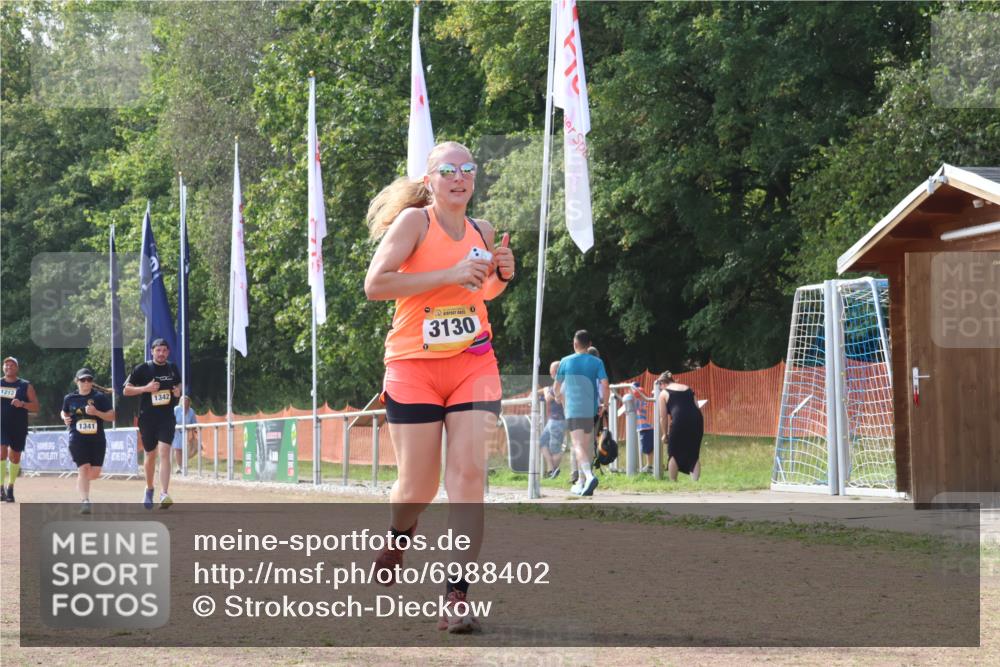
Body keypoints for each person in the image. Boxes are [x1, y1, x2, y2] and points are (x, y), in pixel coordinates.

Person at [364, 141, 515, 633]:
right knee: (419, 487)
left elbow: (482, 289)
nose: (458, 176)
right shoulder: (415, 224)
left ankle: (455, 595)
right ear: (430, 180)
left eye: (466, 168)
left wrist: (501, 276)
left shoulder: (483, 231)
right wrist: (448, 272)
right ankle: (399, 530)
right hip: (413, 365)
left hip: (474, 362)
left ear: (474, 178)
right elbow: (376, 284)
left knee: (468, 480)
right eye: (447, 169)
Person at [124, 338, 182, 509]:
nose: (161, 353)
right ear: (152, 351)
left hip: (166, 418)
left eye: (164, 350)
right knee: (150, 455)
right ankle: (149, 488)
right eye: (158, 350)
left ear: (168, 352)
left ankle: (164, 493)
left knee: (165, 452)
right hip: (147, 418)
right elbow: (126, 390)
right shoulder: (143, 369)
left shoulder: (172, 368)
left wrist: (178, 391)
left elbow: (178, 384)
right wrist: (145, 389)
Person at [554, 330, 609, 496]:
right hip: (591, 410)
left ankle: (589, 476)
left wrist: (557, 397)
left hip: (573, 409)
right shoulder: (596, 362)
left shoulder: (565, 361)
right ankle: (581, 483)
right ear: (590, 344)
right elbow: (605, 385)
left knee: (577, 445)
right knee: (585, 446)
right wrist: (604, 404)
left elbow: (557, 386)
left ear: (574, 343)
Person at [61, 369, 115, 514]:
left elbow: (112, 416)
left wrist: (96, 412)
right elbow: (64, 411)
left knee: (95, 473)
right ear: (76, 381)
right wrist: (64, 418)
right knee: (83, 468)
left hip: (97, 440)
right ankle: (85, 501)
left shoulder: (99, 397)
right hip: (77, 439)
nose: (86, 383)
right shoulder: (69, 398)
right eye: (83, 380)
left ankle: (82, 481)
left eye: (89, 380)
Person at [1, 356, 39, 502]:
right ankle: (0, 489)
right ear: (3, 368)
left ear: (17, 368)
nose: (8, 367)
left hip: (18, 426)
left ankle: (10, 487)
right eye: (6, 365)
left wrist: (22, 404)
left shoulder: (25, 385)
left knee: (15, 457)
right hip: (1, 425)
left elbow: (36, 407)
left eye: (12, 365)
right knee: (1, 452)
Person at [657, 371, 704, 481]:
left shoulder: (663, 393)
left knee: (673, 452)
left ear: (663, 383)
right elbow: (697, 407)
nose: (659, 387)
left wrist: (664, 434)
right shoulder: (687, 388)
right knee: (693, 453)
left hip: (679, 420)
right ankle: (696, 482)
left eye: (659, 385)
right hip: (696, 420)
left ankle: (673, 481)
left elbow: (662, 417)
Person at [538, 361, 566, 479]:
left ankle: (553, 471)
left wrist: (544, 390)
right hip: (553, 420)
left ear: (555, 372)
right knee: (542, 443)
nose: (550, 376)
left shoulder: (559, 383)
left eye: (551, 373)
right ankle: (551, 470)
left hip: (558, 421)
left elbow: (548, 398)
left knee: (555, 449)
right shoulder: (560, 383)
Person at [631, 382, 655, 473]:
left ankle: (649, 465)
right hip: (644, 427)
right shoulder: (641, 398)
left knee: (647, 448)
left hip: (646, 427)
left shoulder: (639, 398)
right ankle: (649, 465)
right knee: (647, 447)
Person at [172, 396, 199, 473]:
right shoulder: (176, 409)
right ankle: (179, 466)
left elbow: (194, 422)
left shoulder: (191, 411)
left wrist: (195, 429)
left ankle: (184, 465)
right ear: (181, 402)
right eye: (184, 401)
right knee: (177, 449)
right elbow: (171, 419)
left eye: (187, 401)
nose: (185, 402)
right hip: (176, 432)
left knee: (185, 449)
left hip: (187, 432)